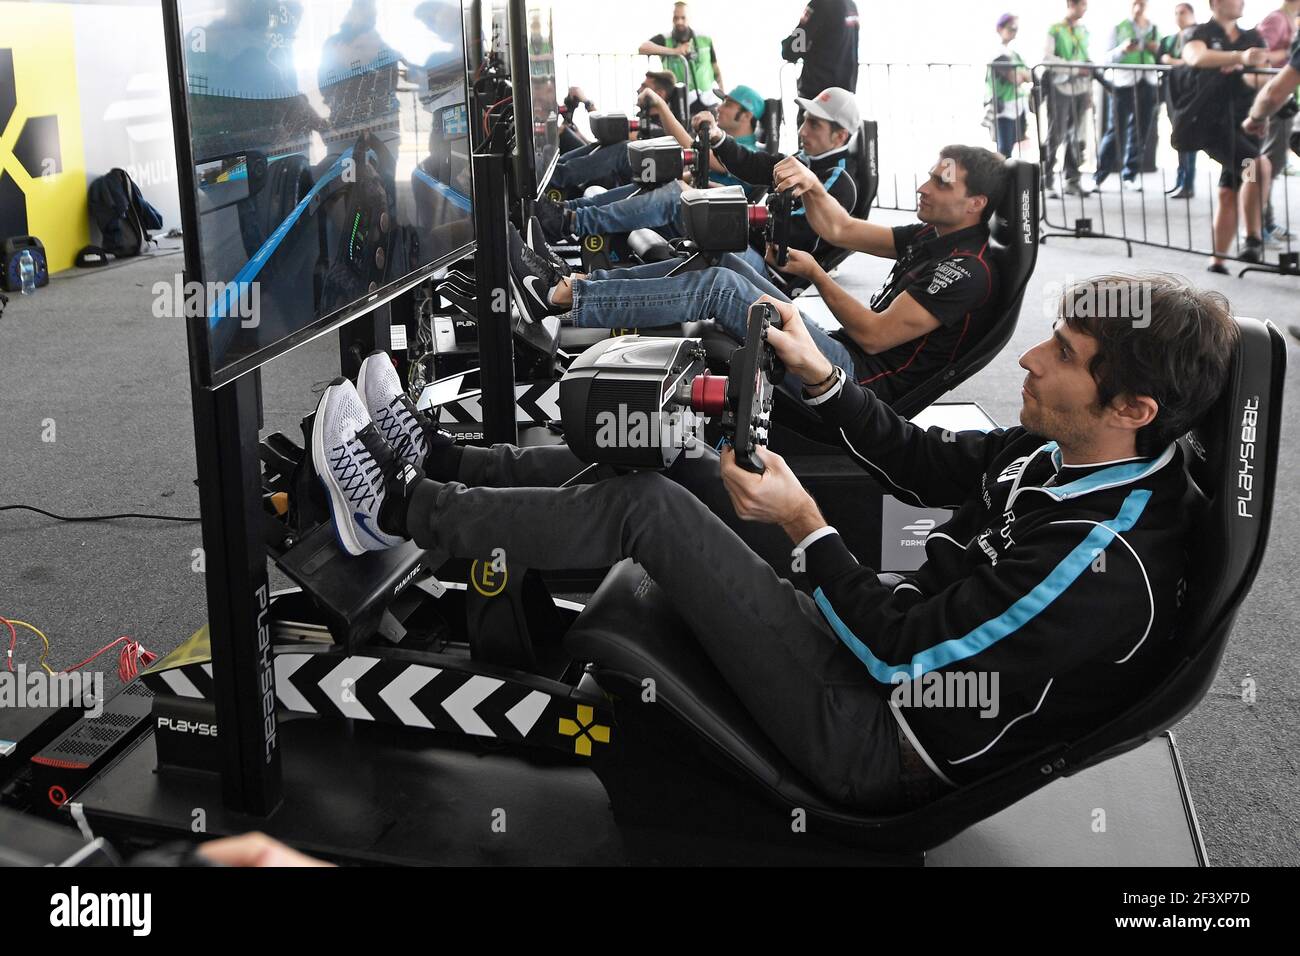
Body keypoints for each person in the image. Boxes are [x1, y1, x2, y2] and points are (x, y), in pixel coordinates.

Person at [310, 275, 1238, 808]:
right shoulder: (1070, 452)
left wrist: (806, 528)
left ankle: (398, 513)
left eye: (1063, 356)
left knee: (650, 510)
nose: (1032, 360)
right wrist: (821, 375)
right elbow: (921, 460)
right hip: (876, 652)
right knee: (676, 464)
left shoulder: (1102, 560)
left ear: (1133, 410)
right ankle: (442, 460)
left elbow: (903, 654)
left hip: (876, 732)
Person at [511, 143, 1005, 407]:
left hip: (859, 382)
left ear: (975, 204)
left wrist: (815, 271)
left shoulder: (966, 271)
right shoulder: (930, 234)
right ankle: (567, 287)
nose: (922, 188)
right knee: (724, 260)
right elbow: (841, 226)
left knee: (721, 289)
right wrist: (811, 185)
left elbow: (875, 337)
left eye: (940, 184)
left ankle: (557, 299)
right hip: (842, 350)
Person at [533, 85, 769, 244]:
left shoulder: (746, 154)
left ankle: (568, 216)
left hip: (702, 221)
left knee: (639, 164)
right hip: (688, 207)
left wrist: (661, 106)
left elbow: (699, 155)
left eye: (727, 103)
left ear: (746, 115)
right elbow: (696, 168)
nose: (719, 107)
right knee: (634, 158)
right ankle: (566, 210)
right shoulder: (731, 145)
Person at [1180, 0, 1271, 271]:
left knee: (1228, 190)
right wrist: (1239, 58)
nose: (1242, 2)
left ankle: (1218, 259)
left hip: (1245, 122)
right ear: (1216, 3)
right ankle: (1253, 237)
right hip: (1211, 123)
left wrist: (1246, 74)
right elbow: (1196, 56)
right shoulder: (1199, 32)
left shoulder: (1252, 37)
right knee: (1254, 166)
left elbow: (1260, 78)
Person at [547, 72, 678, 192]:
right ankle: (549, 171)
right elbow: (605, 144)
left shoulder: (658, 127)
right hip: (610, 170)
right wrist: (575, 130)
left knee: (623, 148)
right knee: (568, 132)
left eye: (644, 87)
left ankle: (555, 177)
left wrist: (587, 102)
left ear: (659, 94)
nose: (638, 90)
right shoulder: (644, 119)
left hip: (622, 179)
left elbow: (612, 133)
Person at [1095, 0, 1162, 191]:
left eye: (1142, 3)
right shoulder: (1118, 28)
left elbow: (1162, 56)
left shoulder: (1155, 29)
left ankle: (1129, 175)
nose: (1138, 7)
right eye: (1135, 3)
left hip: (1147, 82)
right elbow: (1106, 58)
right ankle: (1100, 175)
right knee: (1115, 129)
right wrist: (1123, 49)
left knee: (1140, 131)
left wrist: (1156, 50)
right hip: (1123, 83)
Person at [1253, 0, 1300, 245]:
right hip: (1276, 100)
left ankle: (1266, 222)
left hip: (1285, 99)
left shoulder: (1290, 19)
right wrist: (1290, 55)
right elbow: (1262, 56)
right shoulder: (1276, 19)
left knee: (1274, 162)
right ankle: (1259, 224)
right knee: (1266, 164)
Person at [1043, 0, 1096, 198]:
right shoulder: (1055, 29)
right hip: (1060, 87)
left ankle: (1072, 180)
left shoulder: (1084, 30)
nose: (1085, 8)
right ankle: (1046, 181)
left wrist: (1089, 90)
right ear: (1071, 4)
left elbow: (1086, 58)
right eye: (1081, 4)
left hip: (1081, 88)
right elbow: (1047, 58)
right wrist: (1073, 67)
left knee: (1077, 136)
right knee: (1056, 135)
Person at [781, 0, 861, 120]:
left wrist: (786, 46)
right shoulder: (851, 5)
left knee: (809, 135)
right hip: (843, 95)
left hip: (818, 95)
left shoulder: (820, 4)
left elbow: (792, 49)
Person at [639, 2, 723, 113]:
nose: (679, 22)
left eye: (683, 18)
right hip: (680, 100)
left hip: (708, 99)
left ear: (690, 18)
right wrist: (675, 51)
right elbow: (643, 48)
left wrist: (723, 94)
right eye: (676, 18)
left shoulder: (705, 38)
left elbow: (715, 68)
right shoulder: (665, 39)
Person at [1159, 2, 1201, 198]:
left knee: (1188, 138)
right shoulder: (1170, 39)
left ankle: (1188, 183)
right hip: (1173, 92)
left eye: (1183, 13)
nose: (1179, 16)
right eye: (1176, 13)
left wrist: (1171, 61)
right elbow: (1161, 56)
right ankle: (1180, 181)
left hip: (1191, 93)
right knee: (1178, 138)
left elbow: (1193, 60)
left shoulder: (1199, 35)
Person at [987, 13, 1032, 158]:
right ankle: (1000, 179)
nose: (1013, 32)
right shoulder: (995, 52)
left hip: (1017, 105)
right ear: (1000, 28)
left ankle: (1007, 178)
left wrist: (1021, 75)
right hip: (1003, 105)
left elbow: (1028, 76)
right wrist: (1020, 75)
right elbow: (1016, 78)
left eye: (1016, 29)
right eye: (1011, 28)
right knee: (1004, 149)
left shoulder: (1014, 54)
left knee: (1011, 146)